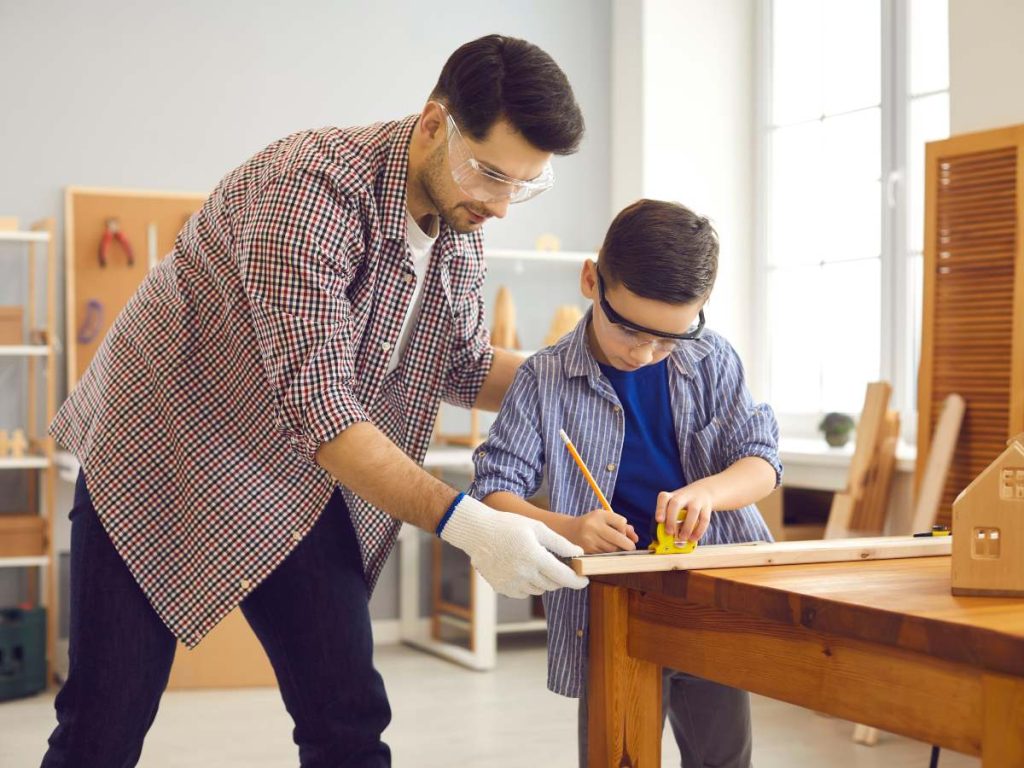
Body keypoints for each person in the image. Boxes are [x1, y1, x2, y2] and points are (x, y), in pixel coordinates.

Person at [42, 34, 590, 768]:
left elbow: (457, 362)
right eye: (491, 175)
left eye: (524, 187)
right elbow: (324, 412)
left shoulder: (458, 224)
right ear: (434, 125)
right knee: (101, 730)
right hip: (160, 455)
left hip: (289, 476)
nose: (500, 205)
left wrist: (589, 378)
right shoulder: (310, 192)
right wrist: (470, 524)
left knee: (347, 719)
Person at [471, 199, 783, 767]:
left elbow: (761, 460)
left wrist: (708, 492)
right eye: (630, 330)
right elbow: (492, 490)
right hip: (613, 607)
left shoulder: (711, 359)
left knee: (724, 758)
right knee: (618, 755)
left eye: (669, 338)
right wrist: (568, 528)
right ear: (592, 280)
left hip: (710, 592)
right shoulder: (543, 378)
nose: (645, 352)